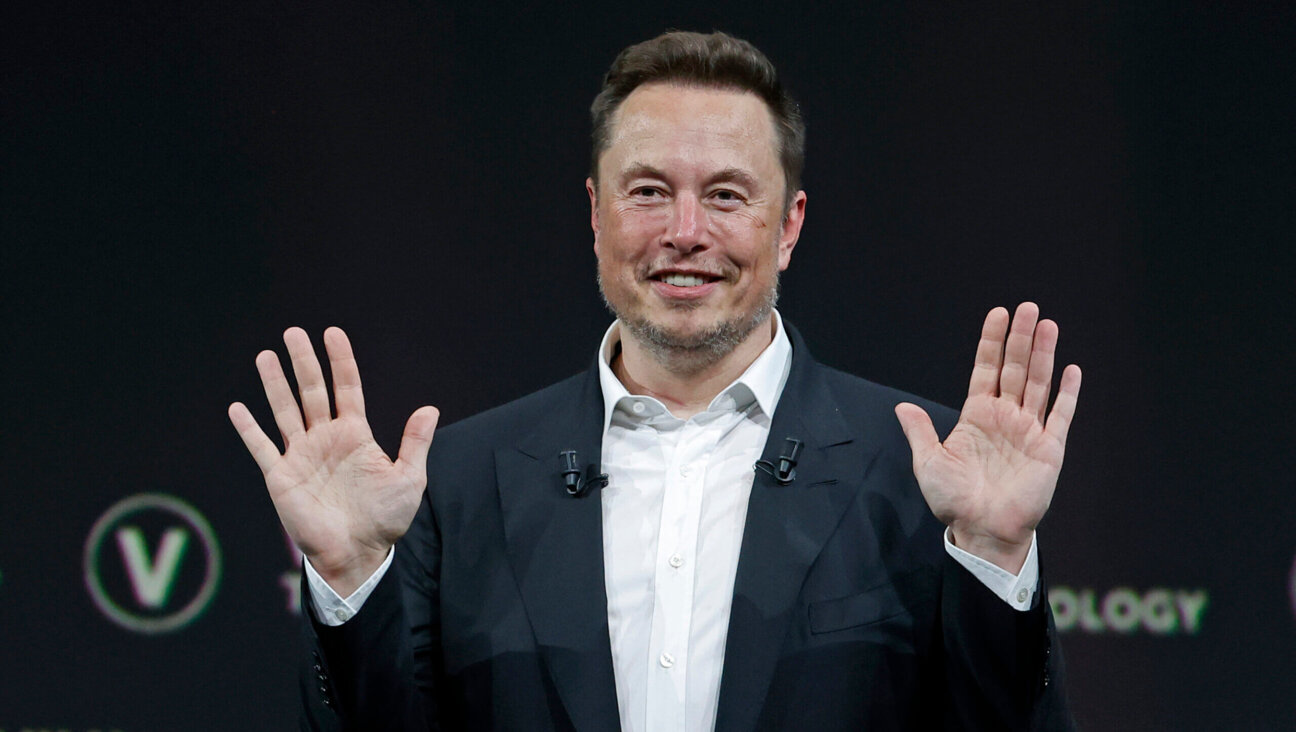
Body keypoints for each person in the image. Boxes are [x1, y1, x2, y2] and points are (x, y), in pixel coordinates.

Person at [229, 31, 1081, 731]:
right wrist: (349, 579)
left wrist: (995, 560)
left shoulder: (924, 477)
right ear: (595, 213)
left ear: (788, 226)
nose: (684, 231)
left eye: (724, 195)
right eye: (648, 192)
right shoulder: (453, 485)